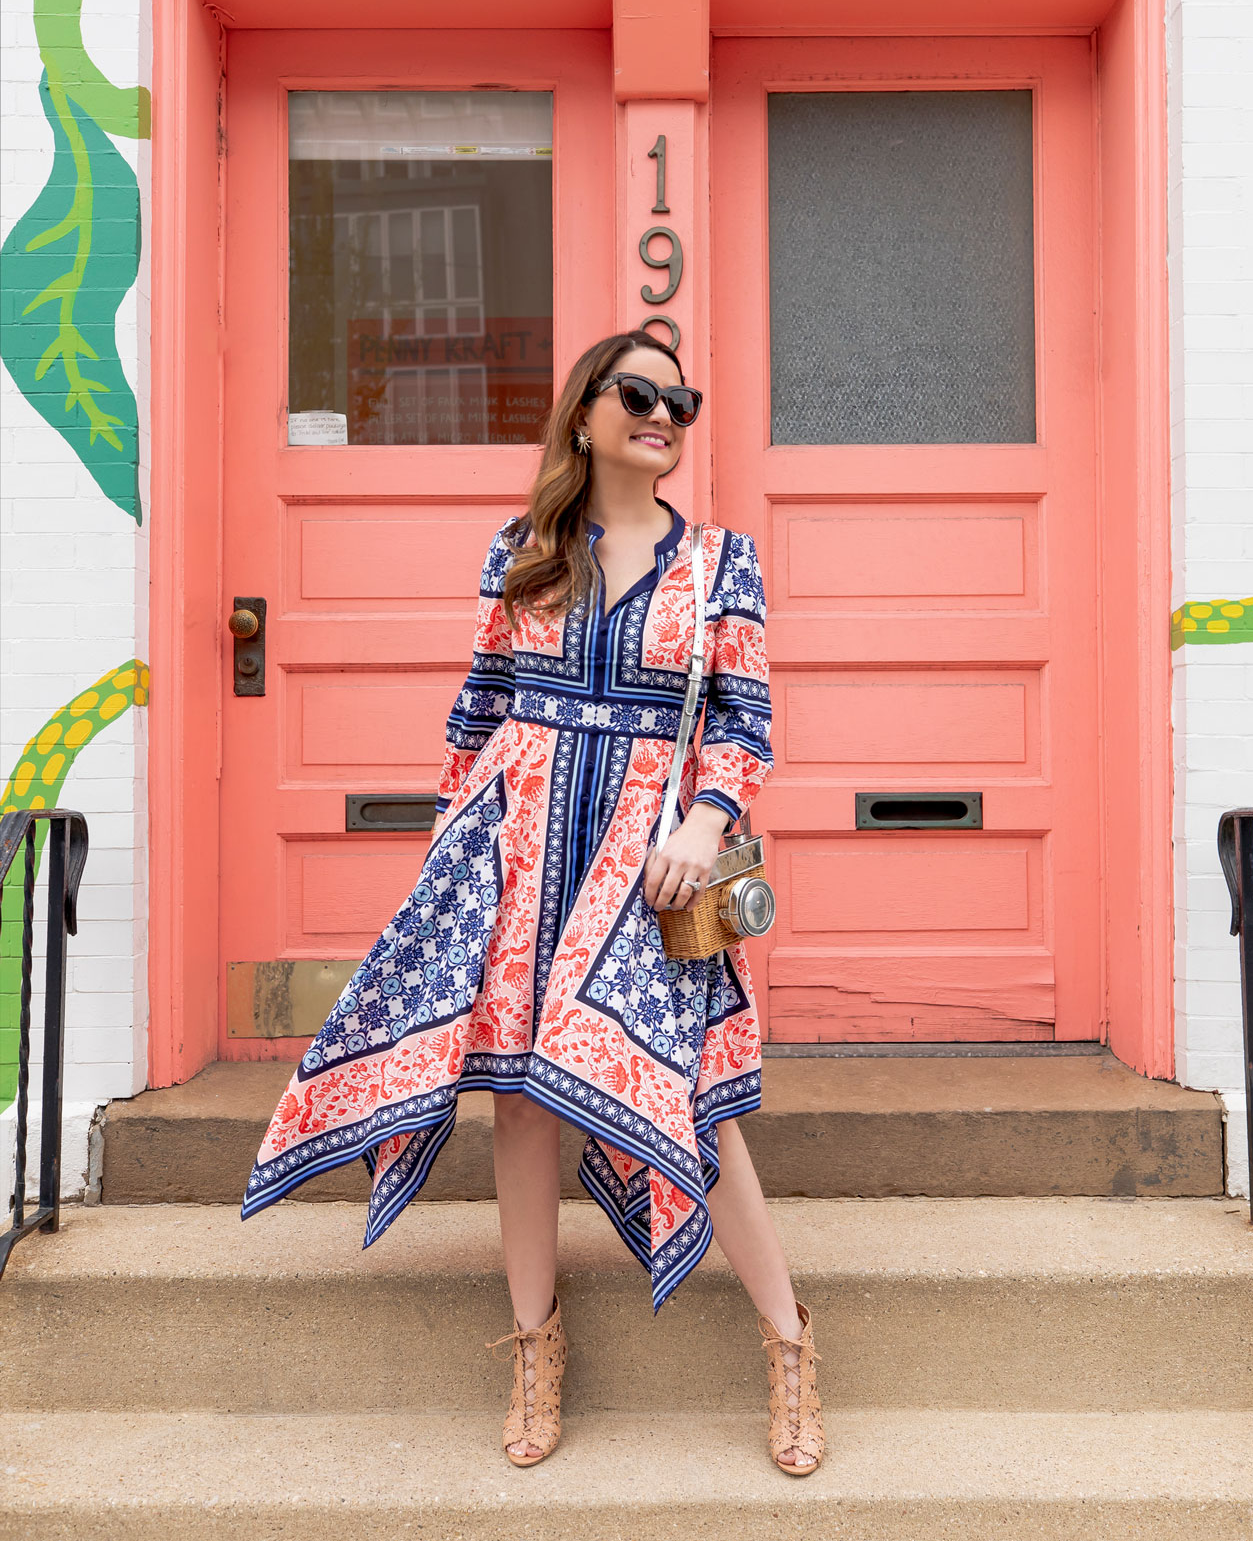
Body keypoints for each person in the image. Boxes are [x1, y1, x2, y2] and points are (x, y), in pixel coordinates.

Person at [241, 331, 823, 1476]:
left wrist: (701, 828)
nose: (663, 414)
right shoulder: (522, 551)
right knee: (515, 1103)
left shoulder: (721, 565)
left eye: (681, 400)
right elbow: (477, 709)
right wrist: (462, 848)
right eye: (639, 394)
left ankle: (791, 1346)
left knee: (698, 1105)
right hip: (516, 850)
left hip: (644, 862)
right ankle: (532, 1349)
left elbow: (743, 724)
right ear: (584, 413)